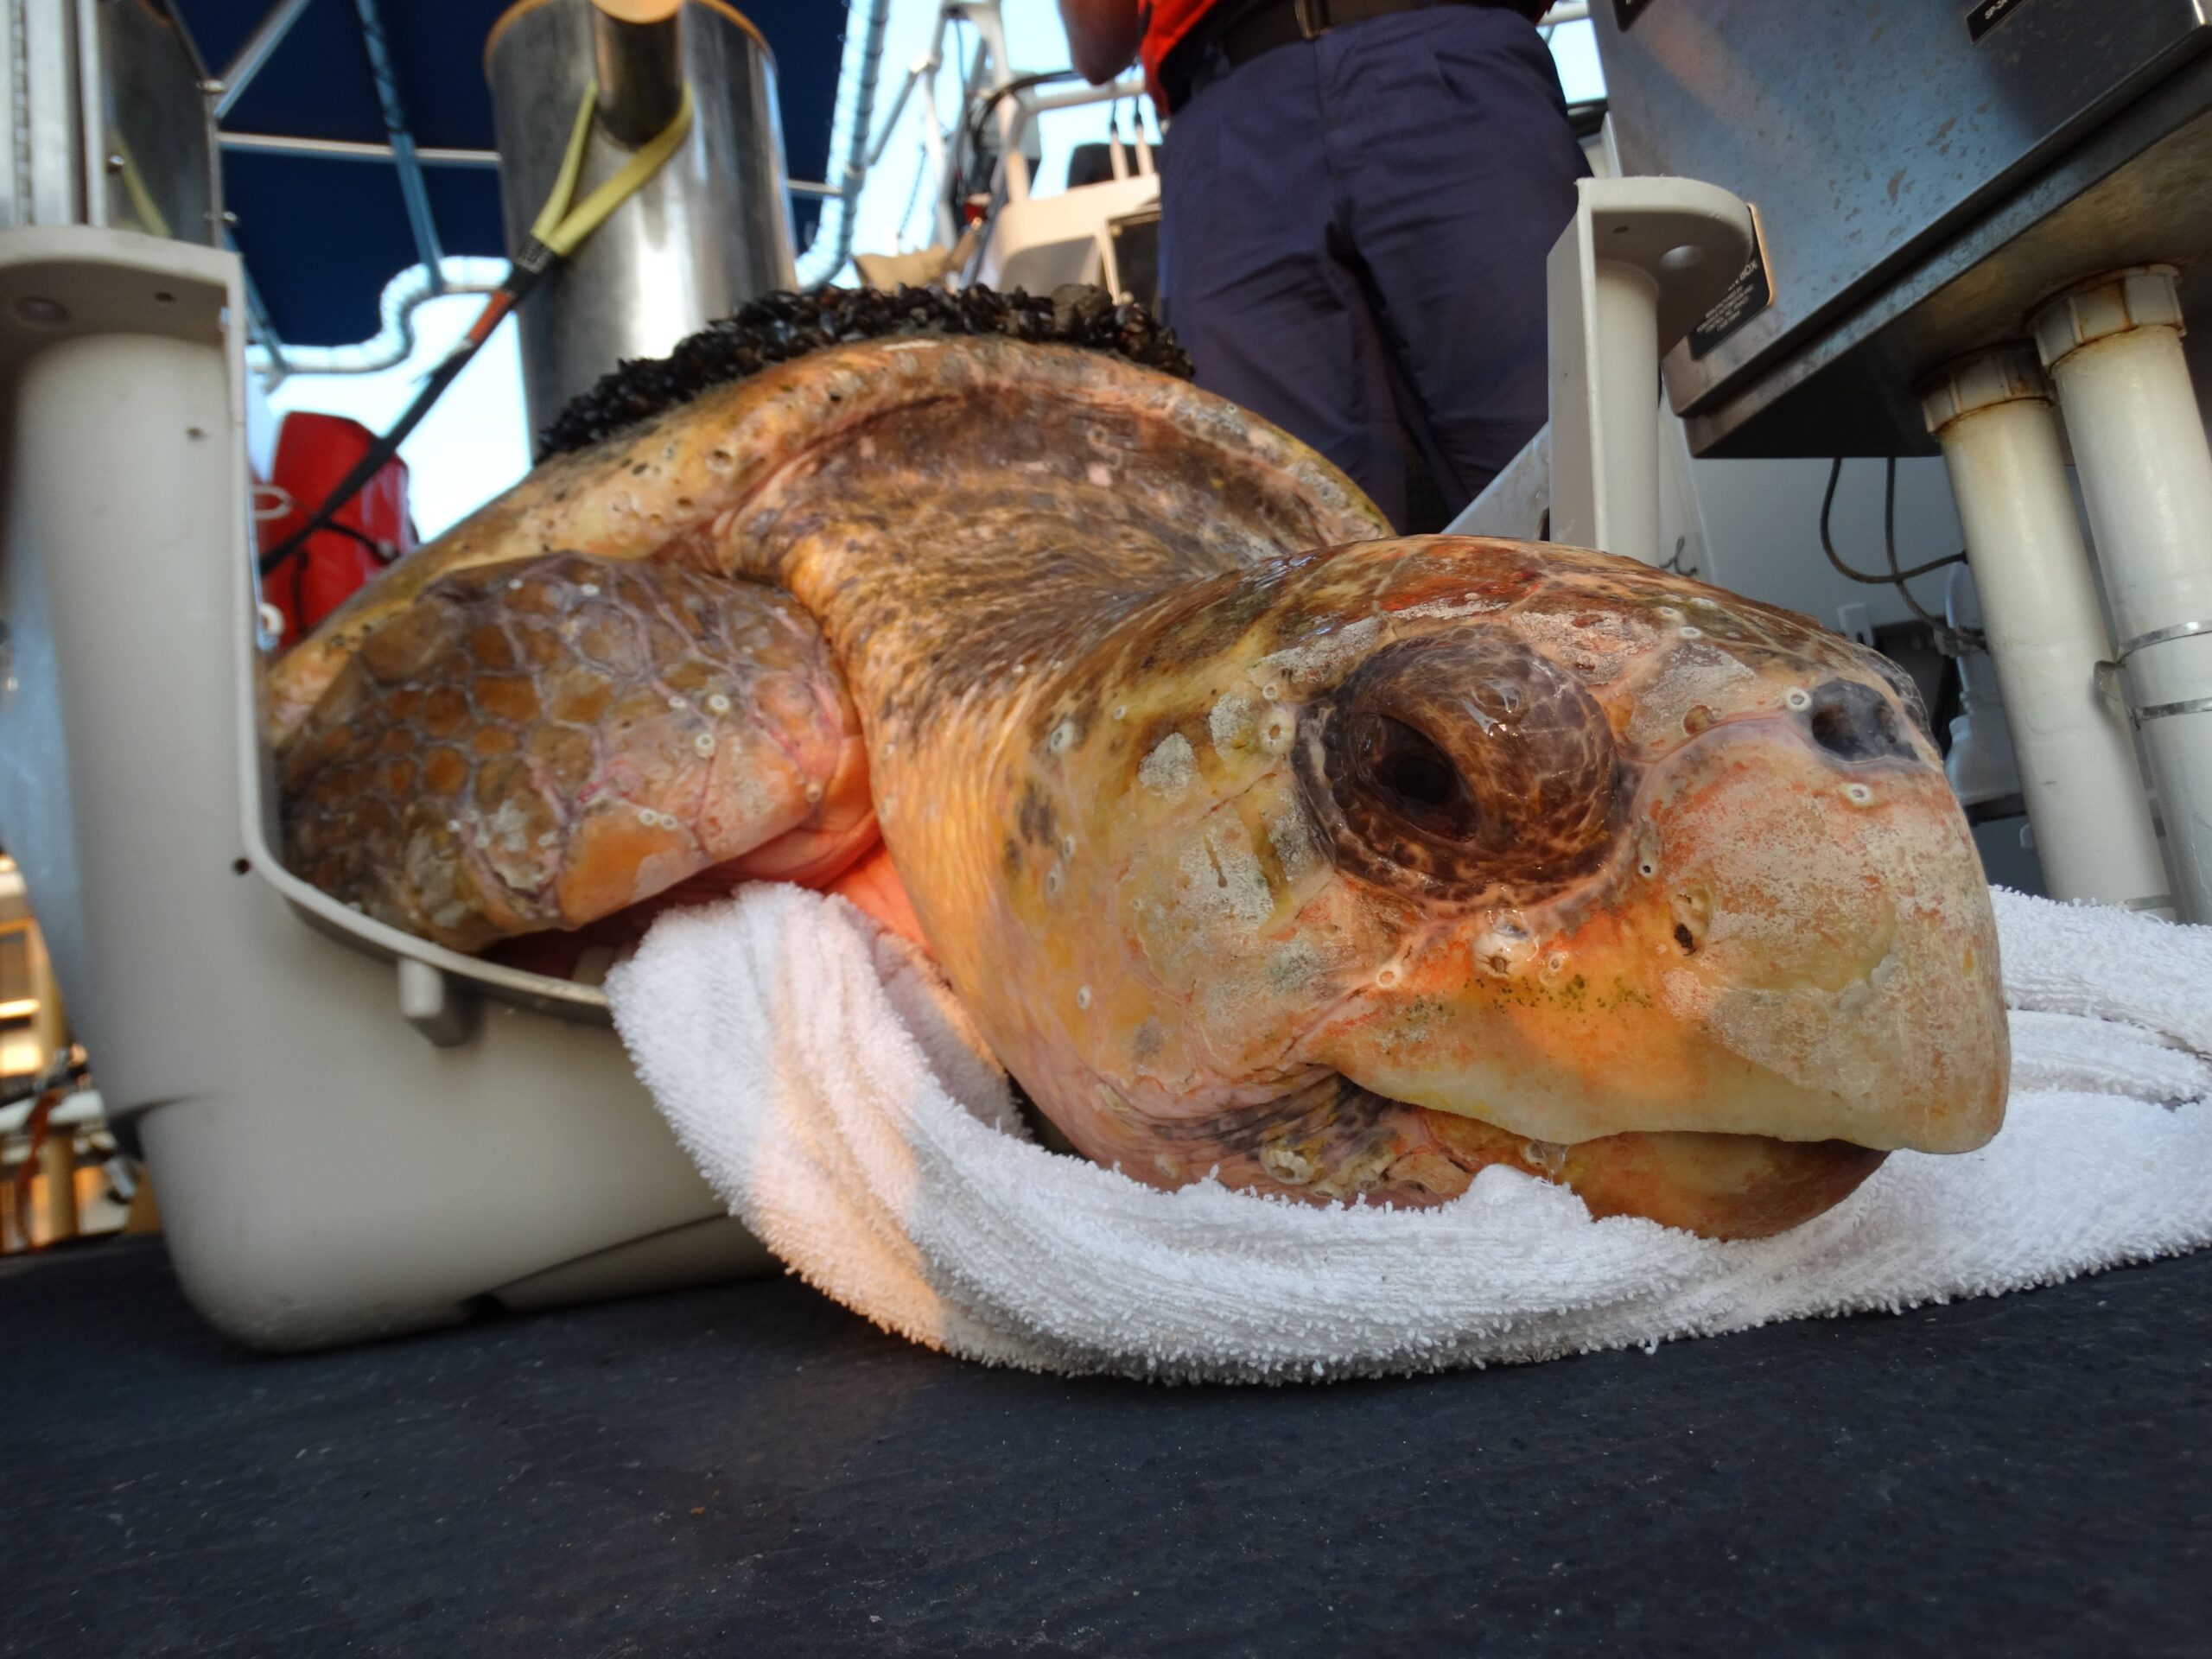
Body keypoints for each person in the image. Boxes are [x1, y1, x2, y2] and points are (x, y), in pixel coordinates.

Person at [1056, 0, 1585, 531]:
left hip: (1260, 102)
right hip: (1265, 103)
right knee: (1279, 560)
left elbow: (1097, 43)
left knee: (1582, 481)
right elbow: (1100, 43)